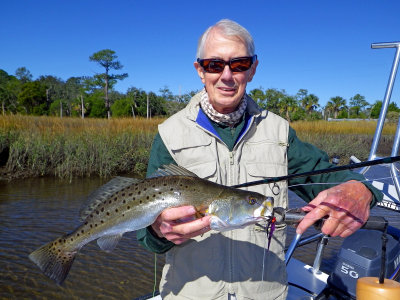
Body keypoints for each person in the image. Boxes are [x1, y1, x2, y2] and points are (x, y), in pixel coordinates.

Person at [136, 19, 382, 300]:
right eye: (215, 65)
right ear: (200, 70)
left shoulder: (279, 132)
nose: (226, 75)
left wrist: (362, 190)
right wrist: (159, 231)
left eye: (238, 64)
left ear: (252, 69)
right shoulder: (169, 133)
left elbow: (325, 176)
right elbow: (146, 238)